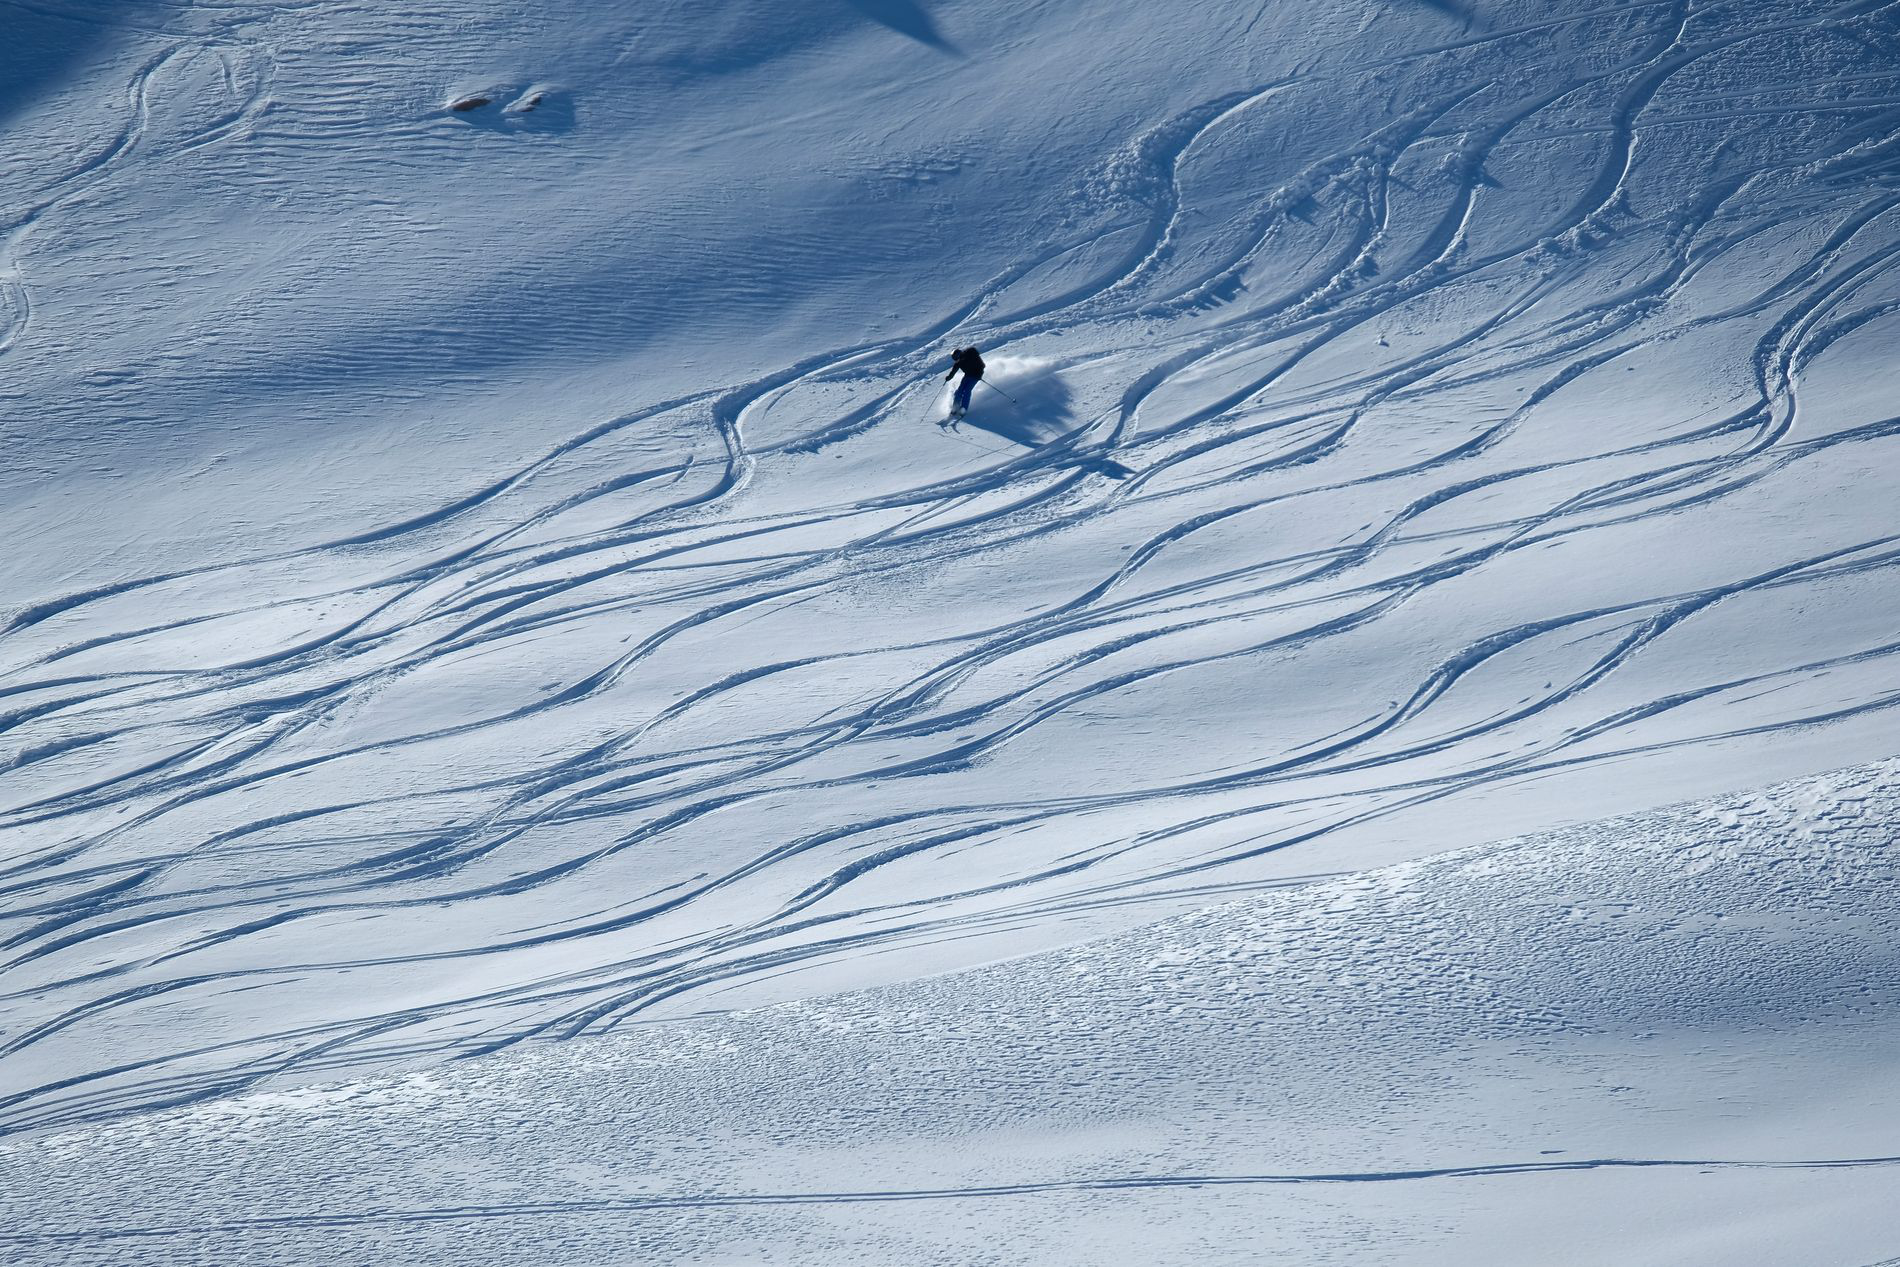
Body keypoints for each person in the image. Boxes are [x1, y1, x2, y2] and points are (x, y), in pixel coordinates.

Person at [945, 346, 985, 418]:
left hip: (975, 376)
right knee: (959, 391)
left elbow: (982, 365)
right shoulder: (958, 362)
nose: (957, 360)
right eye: (955, 358)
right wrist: (949, 377)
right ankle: (955, 407)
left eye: (956, 357)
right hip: (967, 376)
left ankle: (963, 409)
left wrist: (979, 374)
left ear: (959, 354)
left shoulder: (970, 355)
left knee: (967, 391)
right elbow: (953, 371)